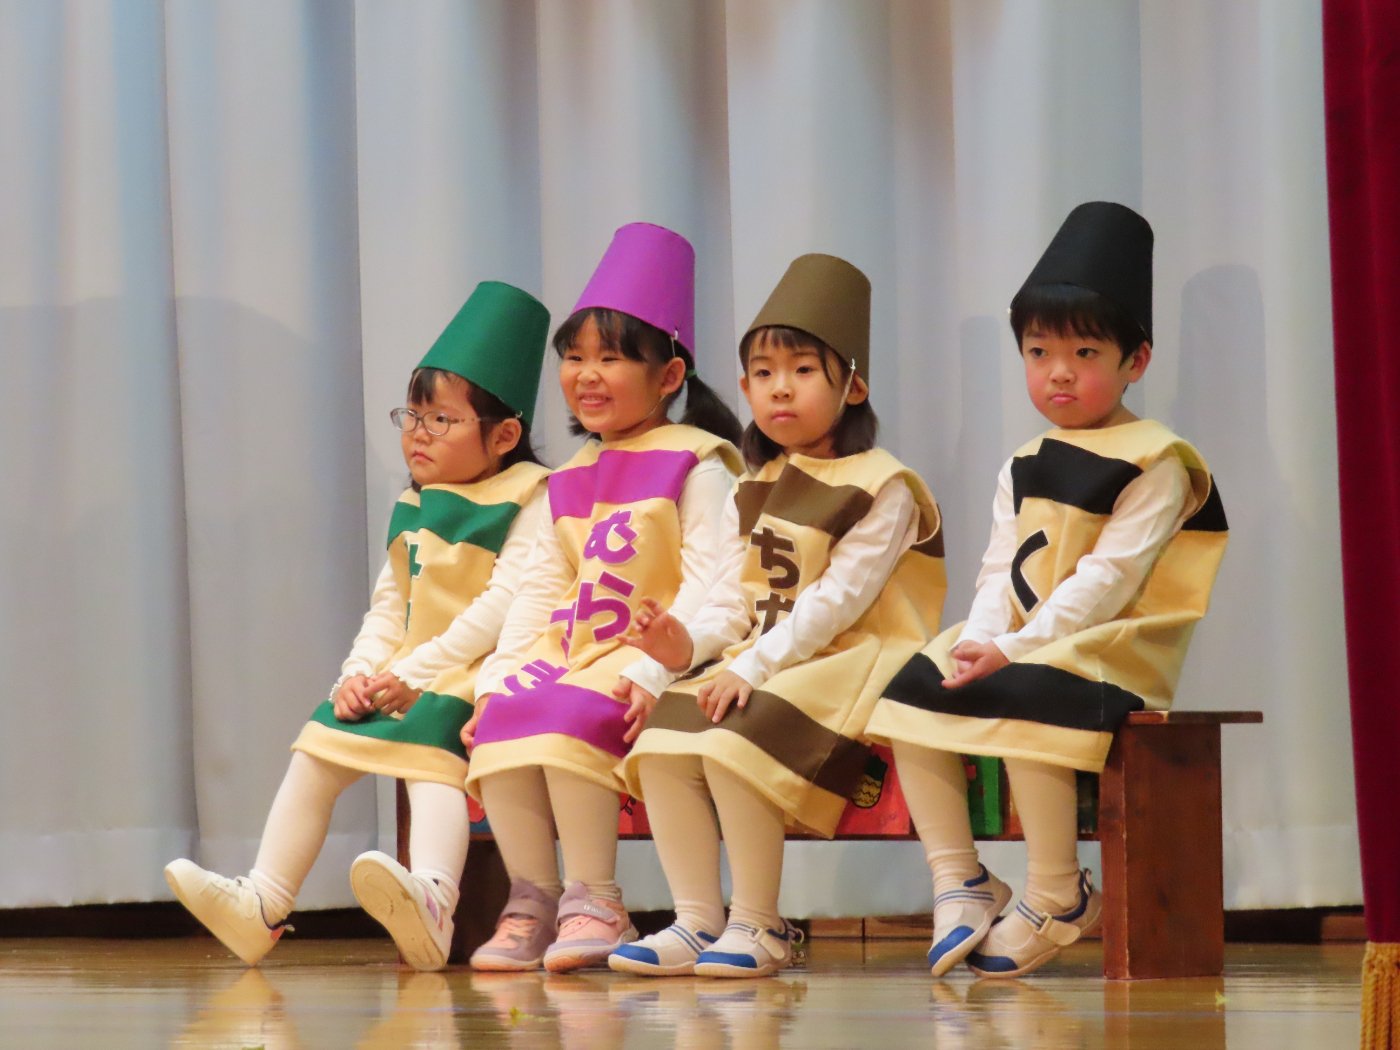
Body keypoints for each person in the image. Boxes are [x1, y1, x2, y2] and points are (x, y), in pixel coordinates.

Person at [867, 201, 1229, 978]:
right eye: (1039, 351)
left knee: (1029, 691)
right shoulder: (1027, 457)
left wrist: (1016, 647)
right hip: (1024, 638)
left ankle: (1057, 891)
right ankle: (958, 876)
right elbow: (1001, 564)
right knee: (910, 689)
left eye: (1085, 351)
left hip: (1111, 644)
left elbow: (1109, 580)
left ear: (1136, 360)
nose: (1058, 371)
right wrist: (980, 637)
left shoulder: (1159, 458)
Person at [165, 281, 552, 971]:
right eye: (413, 415)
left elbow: (500, 607)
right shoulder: (415, 503)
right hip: (404, 668)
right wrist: (357, 675)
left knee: (432, 754)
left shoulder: (530, 497)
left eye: (443, 419)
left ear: (504, 435)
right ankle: (264, 901)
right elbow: (389, 607)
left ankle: (435, 898)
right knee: (320, 746)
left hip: (478, 671)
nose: (419, 433)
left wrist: (415, 673)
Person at [610, 254, 946, 979]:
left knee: (736, 736)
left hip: (852, 658)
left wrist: (751, 667)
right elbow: (735, 599)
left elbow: (837, 604)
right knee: (662, 741)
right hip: (767, 658)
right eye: (763, 373)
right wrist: (677, 648)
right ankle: (697, 919)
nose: (780, 388)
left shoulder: (883, 483)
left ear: (853, 385)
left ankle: (758, 922)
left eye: (802, 370)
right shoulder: (755, 482)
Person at [461, 222, 744, 974]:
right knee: (503, 717)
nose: (587, 375)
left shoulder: (699, 463)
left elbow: (717, 580)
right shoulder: (566, 478)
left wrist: (657, 667)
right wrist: (495, 680)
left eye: (611, 357)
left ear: (670, 375)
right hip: (568, 648)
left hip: (652, 653)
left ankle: (598, 899)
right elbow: (540, 589)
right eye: (575, 357)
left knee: (569, 712)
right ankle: (532, 899)